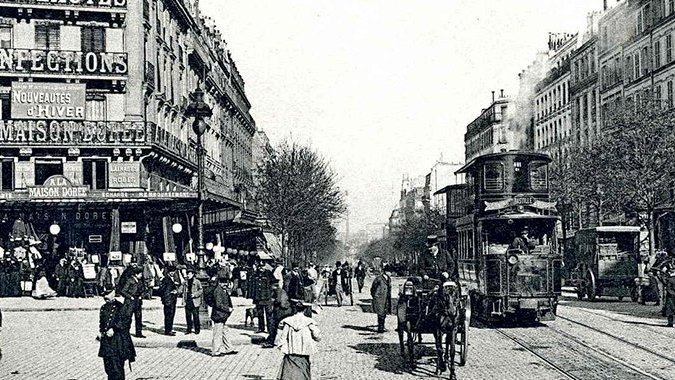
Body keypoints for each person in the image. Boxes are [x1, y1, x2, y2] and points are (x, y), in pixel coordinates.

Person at [275, 299, 321, 380]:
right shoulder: (309, 322)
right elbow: (316, 335)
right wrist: (317, 338)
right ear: (305, 310)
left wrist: (280, 344)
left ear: (295, 309)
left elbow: (283, 336)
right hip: (304, 351)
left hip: (291, 351)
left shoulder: (288, 321)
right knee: (303, 369)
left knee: (288, 371)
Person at [98, 286, 136, 380]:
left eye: (107, 294)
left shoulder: (120, 307)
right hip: (106, 342)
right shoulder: (103, 307)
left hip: (117, 342)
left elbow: (126, 322)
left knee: (117, 368)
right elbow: (102, 323)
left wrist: (114, 329)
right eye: (104, 295)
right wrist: (101, 331)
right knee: (108, 367)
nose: (105, 297)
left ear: (113, 293)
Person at [211, 277, 237, 356]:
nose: (225, 284)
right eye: (224, 283)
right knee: (217, 334)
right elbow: (218, 305)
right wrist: (228, 309)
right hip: (219, 315)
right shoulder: (218, 291)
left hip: (222, 315)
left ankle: (229, 348)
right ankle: (216, 351)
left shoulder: (223, 290)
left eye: (226, 283)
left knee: (224, 332)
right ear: (220, 283)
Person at [118, 266, 145, 338]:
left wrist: (141, 296)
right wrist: (130, 296)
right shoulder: (130, 280)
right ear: (136, 274)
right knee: (128, 317)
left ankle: (139, 333)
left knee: (138, 317)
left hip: (138, 301)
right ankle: (125, 332)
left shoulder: (140, 281)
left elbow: (143, 290)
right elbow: (123, 291)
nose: (141, 275)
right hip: (130, 302)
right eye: (140, 274)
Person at [264, 280, 293, 348]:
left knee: (273, 326)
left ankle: (270, 342)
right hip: (284, 311)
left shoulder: (278, 291)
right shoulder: (280, 290)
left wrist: (274, 301)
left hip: (282, 312)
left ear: (273, 286)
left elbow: (280, 301)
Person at [249, 262, 274, 333]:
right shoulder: (255, 274)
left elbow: (274, 284)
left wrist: (272, 295)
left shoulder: (269, 273)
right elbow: (253, 285)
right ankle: (261, 328)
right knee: (260, 314)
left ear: (265, 267)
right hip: (258, 298)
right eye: (260, 267)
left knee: (269, 314)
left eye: (262, 266)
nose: (261, 268)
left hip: (267, 297)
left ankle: (270, 329)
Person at [158, 267, 181, 336]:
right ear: (168, 272)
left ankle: (169, 329)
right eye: (171, 272)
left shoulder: (172, 279)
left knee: (171, 315)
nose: (172, 273)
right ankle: (167, 331)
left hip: (172, 300)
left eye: (173, 272)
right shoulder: (166, 279)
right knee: (168, 315)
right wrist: (169, 293)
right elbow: (161, 290)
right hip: (168, 300)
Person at [370, 268, 392, 333]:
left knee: (384, 313)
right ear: (385, 272)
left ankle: (382, 326)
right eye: (389, 271)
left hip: (386, 298)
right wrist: (375, 296)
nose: (390, 273)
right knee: (380, 313)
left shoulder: (389, 279)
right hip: (379, 298)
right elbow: (373, 288)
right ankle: (380, 328)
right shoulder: (378, 279)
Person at [183, 268, 203, 335]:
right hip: (187, 300)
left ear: (193, 274)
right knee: (188, 316)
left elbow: (201, 290)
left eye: (189, 274)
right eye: (187, 274)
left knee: (195, 316)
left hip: (195, 301)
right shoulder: (185, 281)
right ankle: (189, 329)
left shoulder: (197, 281)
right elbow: (182, 290)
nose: (188, 275)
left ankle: (197, 330)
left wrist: (195, 294)